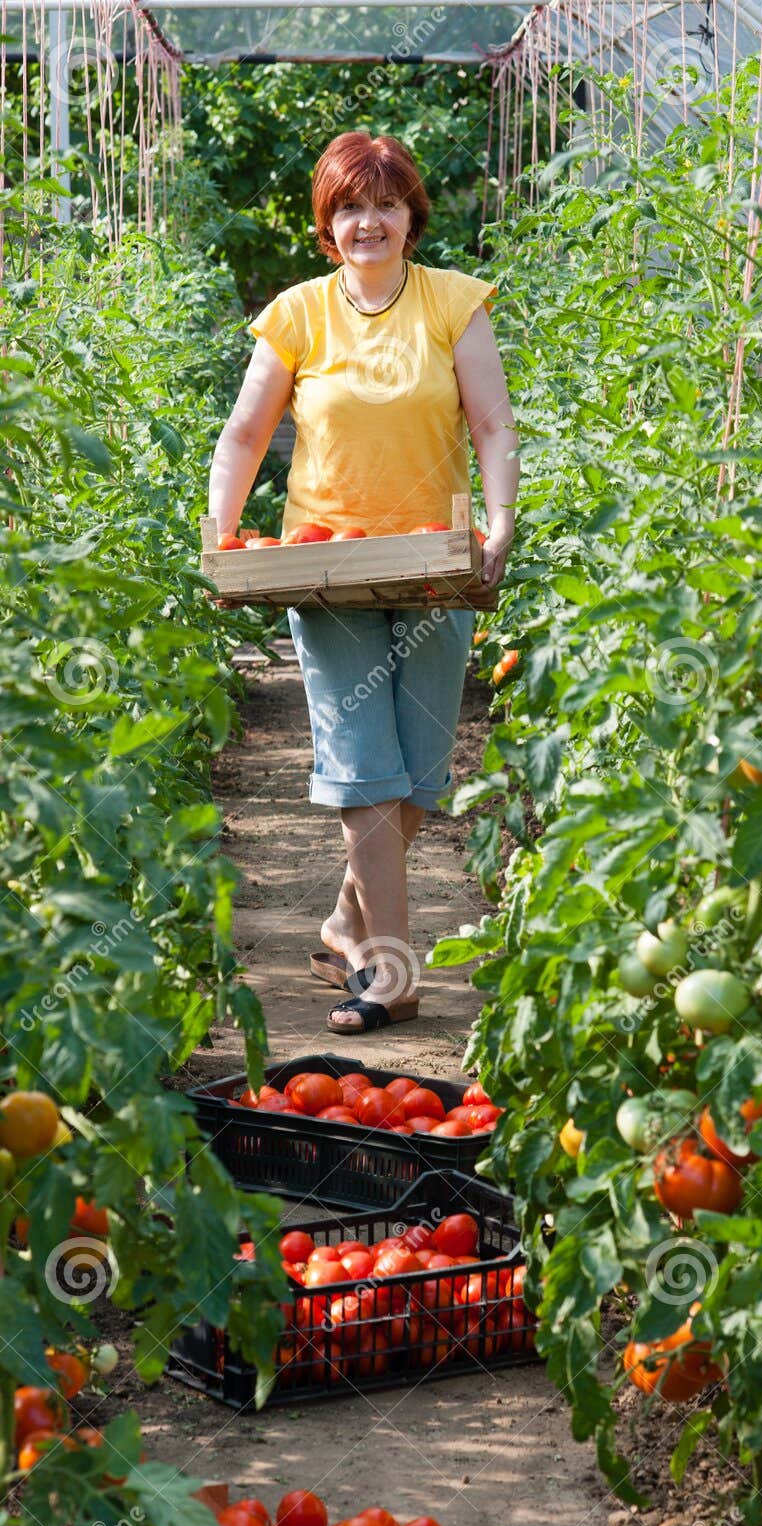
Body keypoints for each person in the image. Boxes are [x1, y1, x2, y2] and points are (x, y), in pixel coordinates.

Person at [207, 131, 518, 1035]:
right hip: (326, 563)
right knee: (361, 770)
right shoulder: (297, 313)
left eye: (384, 204)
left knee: (417, 777)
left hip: (434, 572)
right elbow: (243, 434)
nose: (367, 221)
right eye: (349, 206)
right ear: (327, 223)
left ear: (410, 218)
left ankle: (345, 919)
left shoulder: (453, 305)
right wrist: (224, 536)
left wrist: (498, 523)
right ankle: (388, 970)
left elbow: (493, 425)